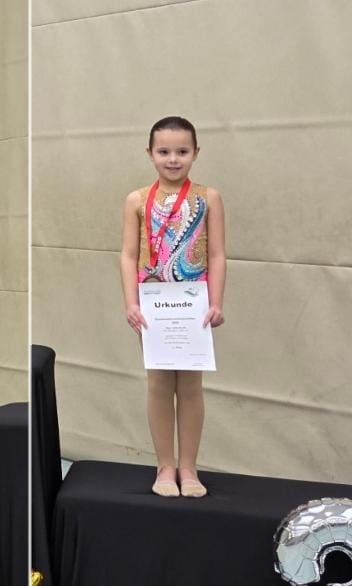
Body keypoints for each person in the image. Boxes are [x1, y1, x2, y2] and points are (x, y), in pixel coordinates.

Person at [119, 116, 226, 497]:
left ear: (196, 152)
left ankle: (189, 468)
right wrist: (131, 303)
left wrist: (216, 302)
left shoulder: (208, 198)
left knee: (192, 386)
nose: (173, 159)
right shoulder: (136, 200)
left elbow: (217, 254)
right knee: (159, 383)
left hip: (193, 306)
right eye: (164, 151)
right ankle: (165, 466)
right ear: (150, 153)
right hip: (154, 306)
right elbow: (128, 254)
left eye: (182, 151)